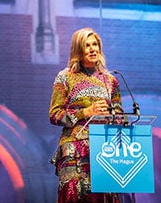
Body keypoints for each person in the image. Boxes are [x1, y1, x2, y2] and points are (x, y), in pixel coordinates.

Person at [49, 27, 123, 202]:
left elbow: (120, 115)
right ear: (78, 50)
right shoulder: (65, 77)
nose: (92, 49)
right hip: (74, 150)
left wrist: (112, 117)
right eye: (87, 45)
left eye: (95, 44)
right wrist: (85, 112)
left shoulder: (111, 81)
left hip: (104, 149)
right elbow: (54, 114)